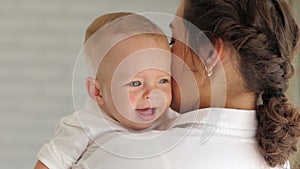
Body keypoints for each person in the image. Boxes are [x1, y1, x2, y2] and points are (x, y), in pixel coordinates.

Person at [70, 0, 300, 169]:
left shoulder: (128, 156)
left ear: (209, 52)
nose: (165, 56)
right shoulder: (277, 160)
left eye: (173, 40)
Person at [34, 12, 176, 169]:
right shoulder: (86, 126)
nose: (152, 94)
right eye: (136, 83)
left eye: (162, 80)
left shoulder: (172, 119)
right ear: (97, 92)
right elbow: (48, 164)